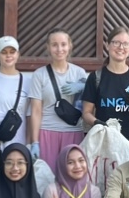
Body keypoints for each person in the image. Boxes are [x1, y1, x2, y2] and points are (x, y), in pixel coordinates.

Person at [25, 29, 87, 169]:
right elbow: (35, 111)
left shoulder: (79, 73)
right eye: (54, 45)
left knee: (71, 177)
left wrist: (84, 86)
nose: (59, 49)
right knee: (47, 179)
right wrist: (34, 142)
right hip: (47, 132)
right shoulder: (39, 75)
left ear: (70, 46)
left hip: (73, 132)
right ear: (48, 47)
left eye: (63, 44)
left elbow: (86, 106)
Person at [82, 26, 129, 140]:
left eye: (125, 44)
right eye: (116, 42)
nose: (121, 47)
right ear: (107, 45)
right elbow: (86, 113)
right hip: (104, 139)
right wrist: (97, 123)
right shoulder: (96, 77)